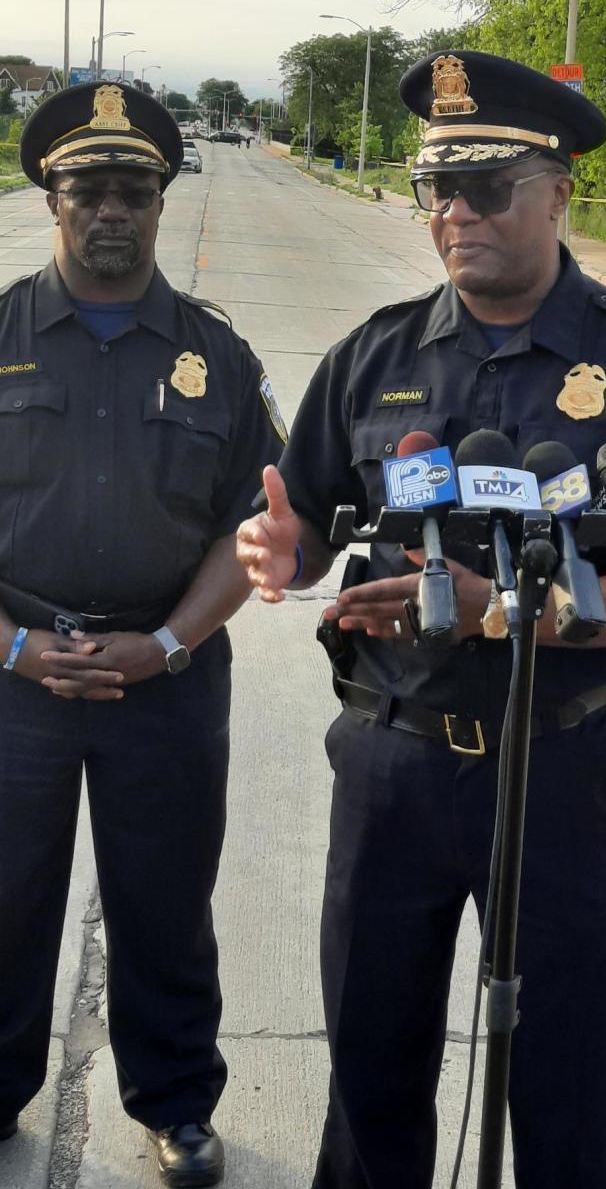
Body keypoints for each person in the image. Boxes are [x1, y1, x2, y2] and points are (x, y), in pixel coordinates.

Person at [237, 49, 606, 1189]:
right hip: (391, 764)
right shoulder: (373, 353)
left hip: (558, 763)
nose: (454, 215)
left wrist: (501, 610)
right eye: (436, 190)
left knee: (564, 1076)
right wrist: (282, 547)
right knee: (372, 1066)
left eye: (486, 189)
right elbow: (313, 519)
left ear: (559, 191)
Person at [0, 82, 285, 1187]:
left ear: (164, 201)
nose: (111, 207)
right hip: (16, 673)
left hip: (164, 678)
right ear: (53, 202)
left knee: (164, 899)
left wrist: (167, 642)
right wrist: (15, 649)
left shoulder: (218, 352)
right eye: (88, 189)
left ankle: (175, 1102)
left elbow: (254, 519)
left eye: (134, 188)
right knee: (5, 895)